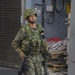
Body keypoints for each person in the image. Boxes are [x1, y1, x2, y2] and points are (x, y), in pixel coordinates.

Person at [12, 8, 47, 75]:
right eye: (31, 16)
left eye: (34, 15)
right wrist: (20, 53)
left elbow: (44, 40)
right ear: (27, 19)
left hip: (39, 58)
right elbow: (14, 43)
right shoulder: (24, 30)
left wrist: (46, 49)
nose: (33, 17)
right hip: (28, 57)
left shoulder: (40, 28)